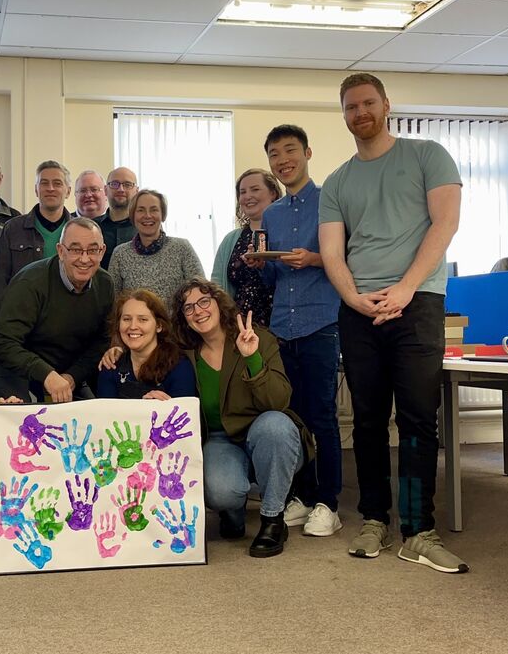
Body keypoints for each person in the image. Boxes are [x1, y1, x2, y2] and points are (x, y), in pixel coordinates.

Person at [319, 72, 467, 573]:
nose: (359, 113)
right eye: (350, 107)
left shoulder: (428, 155)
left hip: (418, 301)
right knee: (365, 419)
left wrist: (405, 287)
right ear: (343, 115)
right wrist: (355, 299)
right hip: (359, 311)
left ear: (386, 105)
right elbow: (332, 252)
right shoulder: (337, 181)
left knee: (418, 419)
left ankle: (418, 530)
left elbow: (445, 224)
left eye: (367, 103)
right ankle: (374, 519)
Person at [245, 124, 343, 538]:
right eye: (274, 154)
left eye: (290, 151)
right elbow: (272, 278)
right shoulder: (272, 213)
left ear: (307, 152)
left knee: (322, 414)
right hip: (282, 328)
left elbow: (348, 259)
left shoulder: (332, 202)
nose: (283, 160)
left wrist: (317, 258)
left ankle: (329, 503)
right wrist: (261, 263)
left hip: (322, 321)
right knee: (291, 416)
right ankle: (301, 496)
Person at [171, 278, 311, 558]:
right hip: (220, 439)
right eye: (188, 308)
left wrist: (252, 359)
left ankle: (273, 519)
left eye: (203, 301)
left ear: (218, 303)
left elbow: (278, 402)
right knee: (221, 491)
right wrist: (115, 351)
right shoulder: (183, 354)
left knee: (275, 427)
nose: (198, 311)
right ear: (184, 319)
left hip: (265, 431)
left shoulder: (257, 338)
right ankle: (232, 510)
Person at [0, 218, 114, 403]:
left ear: (102, 252)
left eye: (92, 250)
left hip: (50, 344)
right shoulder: (31, 283)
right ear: (60, 251)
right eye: (75, 249)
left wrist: (71, 377)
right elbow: (2, 343)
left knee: (85, 410)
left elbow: (101, 342)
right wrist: (47, 375)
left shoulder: (105, 285)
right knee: (20, 411)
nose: (84, 258)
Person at [0, 160, 72, 301]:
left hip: (68, 310)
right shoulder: (12, 229)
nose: (50, 188)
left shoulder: (80, 231)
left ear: (68, 191)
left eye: (57, 183)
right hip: (23, 311)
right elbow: (0, 282)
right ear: (36, 189)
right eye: (44, 183)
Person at [211, 168, 282, 327]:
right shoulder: (231, 240)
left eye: (255, 189)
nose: (247, 196)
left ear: (273, 193)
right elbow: (217, 288)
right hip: (240, 329)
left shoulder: (286, 233)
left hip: (281, 328)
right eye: (242, 192)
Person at [108, 189, 205, 304]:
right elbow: (115, 302)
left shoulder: (182, 248)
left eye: (154, 210)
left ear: (163, 215)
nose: (147, 216)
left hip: (176, 322)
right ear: (132, 216)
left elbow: (201, 292)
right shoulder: (120, 254)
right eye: (141, 210)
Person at [97, 289, 195, 400]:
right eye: (126, 319)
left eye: (142, 319)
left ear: (159, 326)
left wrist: (165, 408)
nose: (133, 326)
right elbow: (105, 415)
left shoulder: (179, 365)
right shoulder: (111, 366)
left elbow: (186, 413)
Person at [98, 167, 138, 270]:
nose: (121, 189)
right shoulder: (93, 227)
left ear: (137, 191)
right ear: (106, 190)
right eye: (115, 184)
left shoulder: (145, 228)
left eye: (127, 185)